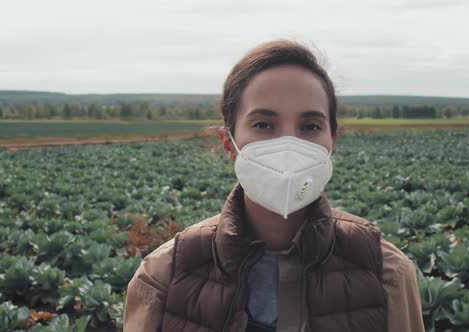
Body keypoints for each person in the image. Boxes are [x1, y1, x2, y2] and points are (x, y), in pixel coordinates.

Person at [123, 40, 424, 332]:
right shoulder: (163, 275)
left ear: (331, 141)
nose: (288, 145)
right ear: (229, 143)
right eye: (264, 124)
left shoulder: (387, 273)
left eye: (310, 126)